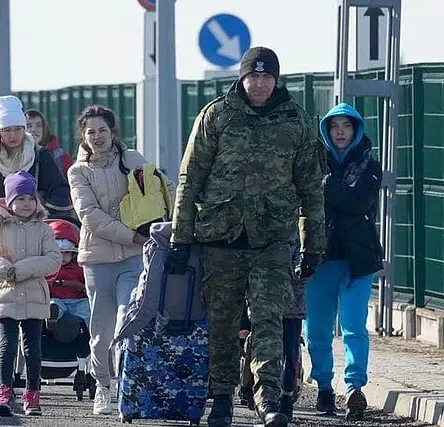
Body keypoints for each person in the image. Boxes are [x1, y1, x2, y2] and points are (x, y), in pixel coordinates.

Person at [164, 46, 325, 427]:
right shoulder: (216, 116)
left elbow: (311, 190)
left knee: (269, 318)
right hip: (221, 237)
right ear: (242, 77)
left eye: (268, 77)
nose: (260, 83)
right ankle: (221, 397)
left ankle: (268, 399)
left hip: (272, 239)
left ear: (277, 80)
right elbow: (191, 178)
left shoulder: (296, 122)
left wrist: (314, 245)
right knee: (222, 323)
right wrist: (180, 238)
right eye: (254, 76)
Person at [67, 104, 174, 416]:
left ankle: (130, 385)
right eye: (91, 132)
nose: (97, 136)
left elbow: (163, 189)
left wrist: (173, 221)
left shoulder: (133, 159)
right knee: (100, 332)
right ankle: (103, 384)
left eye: (103, 130)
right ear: (83, 137)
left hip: (133, 257)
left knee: (129, 318)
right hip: (98, 259)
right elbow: (91, 217)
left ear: (113, 132)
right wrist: (133, 236)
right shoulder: (78, 172)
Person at [304, 102, 383, 422]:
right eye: (334, 126)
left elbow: (358, 201)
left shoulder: (369, 165)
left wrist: (325, 187)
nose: (340, 132)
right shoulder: (311, 163)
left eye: (346, 126)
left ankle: (354, 389)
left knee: (353, 327)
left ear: (356, 130)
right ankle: (324, 385)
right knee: (319, 330)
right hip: (319, 258)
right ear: (326, 130)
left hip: (357, 260)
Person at [0, 170, 61, 417]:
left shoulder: (43, 229)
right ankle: (5, 391)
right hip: (4, 295)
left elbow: (54, 259)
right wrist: (3, 268)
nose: (26, 204)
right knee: (7, 346)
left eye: (30, 198)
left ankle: (32, 393)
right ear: (9, 201)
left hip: (33, 294)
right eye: (20, 199)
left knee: (33, 347)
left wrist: (23, 269)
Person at [0, 96, 73, 284]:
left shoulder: (39, 158)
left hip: (33, 243)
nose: (13, 135)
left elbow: (60, 192)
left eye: (17, 129)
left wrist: (41, 215)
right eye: (6, 130)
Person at [44, 219, 90, 330]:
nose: (63, 257)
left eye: (67, 253)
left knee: (88, 309)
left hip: (77, 300)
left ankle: (93, 334)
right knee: (54, 304)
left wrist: (84, 288)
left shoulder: (78, 267)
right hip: (56, 298)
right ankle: (52, 317)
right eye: (60, 253)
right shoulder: (47, 268)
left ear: (73, 254)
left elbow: (86, 282)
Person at [25, 109, 72, 178]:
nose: (33, 130)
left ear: (45, 129)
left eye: (39, 125)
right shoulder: (14, 155)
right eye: (28, 126)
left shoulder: (61, 157)